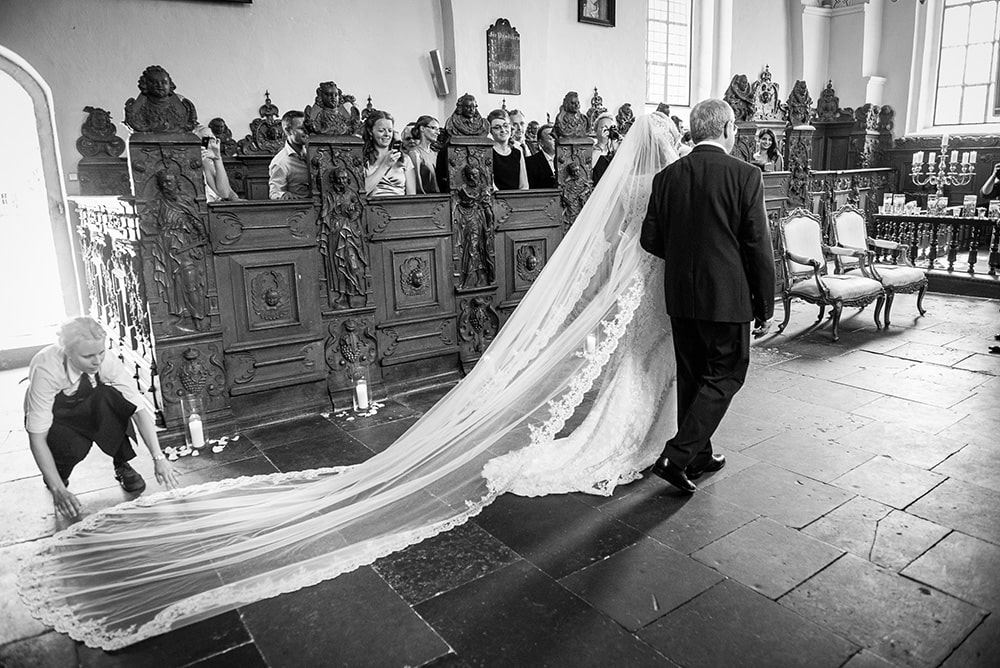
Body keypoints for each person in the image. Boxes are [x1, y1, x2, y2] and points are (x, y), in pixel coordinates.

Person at [20, 113, 684, 650]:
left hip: (637, 288)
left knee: (630, 366)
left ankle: (630, 428)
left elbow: (608, 246)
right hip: (650, 289)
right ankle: (625, 435)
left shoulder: (627, 187)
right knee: (631, 368)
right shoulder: (662, 185)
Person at [640, 98, 775, 493]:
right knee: (728, 373)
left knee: (693, 376)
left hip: (681, 296)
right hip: (726, 297)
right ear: (729, 128)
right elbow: (757, 245)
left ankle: (698, 455)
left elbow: (651, 239)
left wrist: (686, 261)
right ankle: (676, 456)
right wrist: (764, 303)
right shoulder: (745, 175)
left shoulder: (666, 177)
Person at [23, 317, 179, 518]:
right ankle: (58, 474)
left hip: (89, 403)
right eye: (88, 356)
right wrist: (57, 489)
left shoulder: (106, 362)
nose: (97, 361)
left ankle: (122, 463)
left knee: (111, 397)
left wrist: (159, 458)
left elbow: (138, 410)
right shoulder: (46, 369)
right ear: (68, 351)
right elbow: (37, 437)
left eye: (101, 352)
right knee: (75, 448)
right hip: (57, 415)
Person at [363, 110, 417, 197]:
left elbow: (411, 196)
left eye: (390, 130)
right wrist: (385, 165)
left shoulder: (405, 159)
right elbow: (362, 192)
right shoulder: (363, 159)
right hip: (372, 208)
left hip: (400, 207)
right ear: (370, 131)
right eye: (381, 130)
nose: (387, 134)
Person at [268, 110, 311, 200]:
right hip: (302, 209)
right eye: (302, 129)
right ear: (288, 131)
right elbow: (274, 193)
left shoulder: (314, 151)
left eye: (308, 128)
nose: (307, 132)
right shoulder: (280, 162)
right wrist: (283, 195)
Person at [487, 109, 528, 190]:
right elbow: (490, 184)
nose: (503, 130)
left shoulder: (518, 152)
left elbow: (524, 185)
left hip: (516, 199)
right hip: (496, 199)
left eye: (506, 126)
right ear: (490, 131)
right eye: (497, 128)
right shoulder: (488, 152)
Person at [195, 125, 238, 202]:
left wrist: (217, 158)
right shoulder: (200, 162)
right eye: (206, 138)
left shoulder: (212, 163)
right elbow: (224, 194)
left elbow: (226, 192)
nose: (211, 141)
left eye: (213, 138)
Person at [407, 115, 441, 194]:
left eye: (438, 129)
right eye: (433, 128)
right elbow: (416, 185)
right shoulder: (414, 153)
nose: (438, 132)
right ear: (422, 129)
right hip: (426, 200)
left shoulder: (436, 153)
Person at [591, 112, 620, 186]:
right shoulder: (591, 149)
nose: (608, 131)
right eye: (604, 128)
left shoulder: (616, 148)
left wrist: (615, 146)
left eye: (611, 128)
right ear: (596, 131)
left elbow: (623, 169)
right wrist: (602, 144)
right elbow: (587, 168)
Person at [525, 123, 557, 189]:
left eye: (556, 137)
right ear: (541, 143)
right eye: (551, 138)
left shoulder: (566, 159)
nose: (555, 141)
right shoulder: (531, 163)